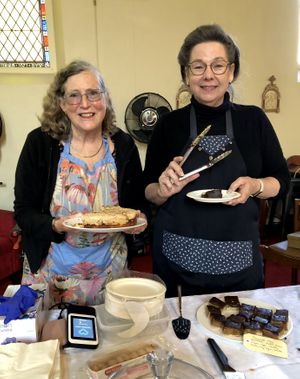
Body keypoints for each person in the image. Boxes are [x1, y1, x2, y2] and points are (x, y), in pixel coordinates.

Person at [143, 24, 290, 297]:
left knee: (236, 334)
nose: (208, 75)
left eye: (218, 65)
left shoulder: (253, 120)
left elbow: (281, 180)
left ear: (231, 72)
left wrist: (256, 185)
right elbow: (148, 189)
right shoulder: (168, 125)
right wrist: (161, 190)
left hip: (238, 263)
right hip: (177, 262)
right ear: (186, 74)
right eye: (198, 67)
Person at [14, 60, 148, 305]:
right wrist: (55, 225)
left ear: (105, 99)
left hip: (111, 273)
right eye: (74, 96)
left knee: (109, 338)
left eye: (93, 93)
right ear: (62, 104)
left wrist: (138, 221)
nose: (85, 104)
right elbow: (23, 212)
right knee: (52, 341)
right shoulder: (39, 144)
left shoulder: (124, 145)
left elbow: (138, 204)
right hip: (50, 273)